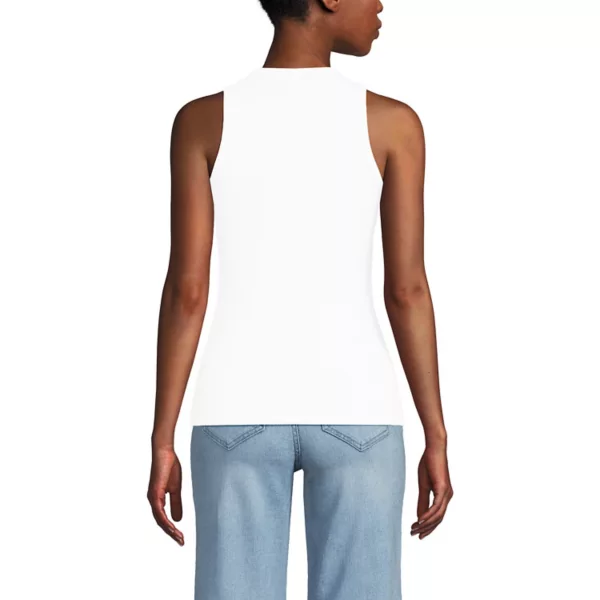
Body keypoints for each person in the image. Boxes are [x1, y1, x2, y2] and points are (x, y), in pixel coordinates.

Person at [148, 0, 453, 598]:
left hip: (234, 409)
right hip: (359, 408)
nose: (381, 4)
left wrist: (163, 439)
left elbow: (187, 291)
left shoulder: (202, 121)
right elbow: (407, 290)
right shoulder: (393, 124)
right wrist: (435, 435)